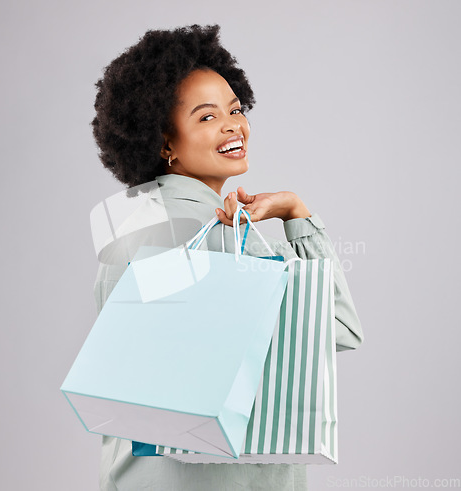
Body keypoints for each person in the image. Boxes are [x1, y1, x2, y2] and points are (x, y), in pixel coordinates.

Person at [91, 24, 363, 491]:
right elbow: (338, 328)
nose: (233, 125)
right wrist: (297, 215)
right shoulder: (220, 231)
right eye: (206, 117)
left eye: (235, 109)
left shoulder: (129, 220)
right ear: (164, 143)